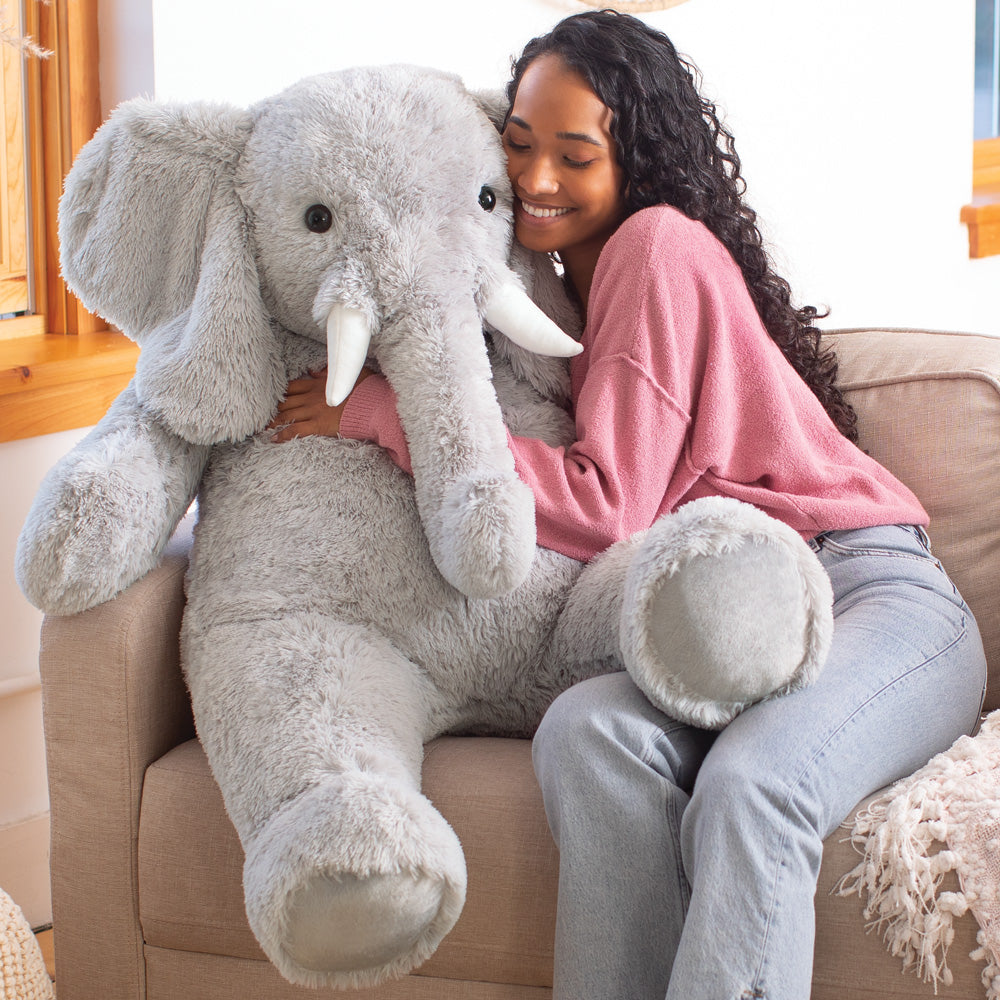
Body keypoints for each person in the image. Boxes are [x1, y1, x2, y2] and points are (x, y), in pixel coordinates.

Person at [270, 11, 987, 999]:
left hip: (874, 597)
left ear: (633, 162)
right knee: (587, 733)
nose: (536, 179)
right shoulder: (561, 287)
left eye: (575, 155)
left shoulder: (652, 246)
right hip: (722, 628)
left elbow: (607, 505)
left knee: (754, 787)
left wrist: (383, 414)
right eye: (519, 144)